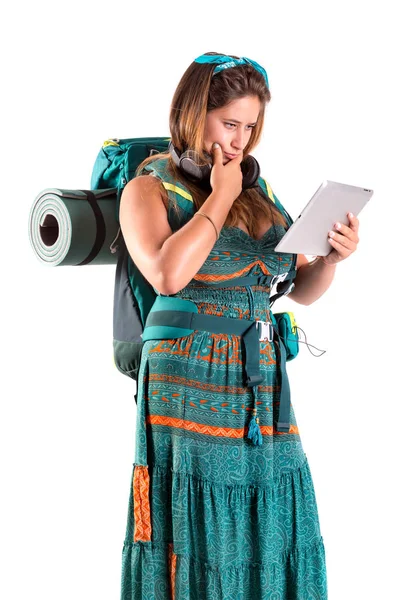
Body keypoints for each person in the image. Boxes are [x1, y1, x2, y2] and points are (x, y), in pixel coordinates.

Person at [118, 51, 360, 599]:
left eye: (250, 128)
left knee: (277, 507)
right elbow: (168, 274)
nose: (240, 142)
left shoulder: (260, 195)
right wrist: (221, 195)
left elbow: (301, 288)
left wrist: (330, 261)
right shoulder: (148, 190)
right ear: (192, 113)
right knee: (207, 530)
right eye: (230, 124)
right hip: (189, 379)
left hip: (262, 385)